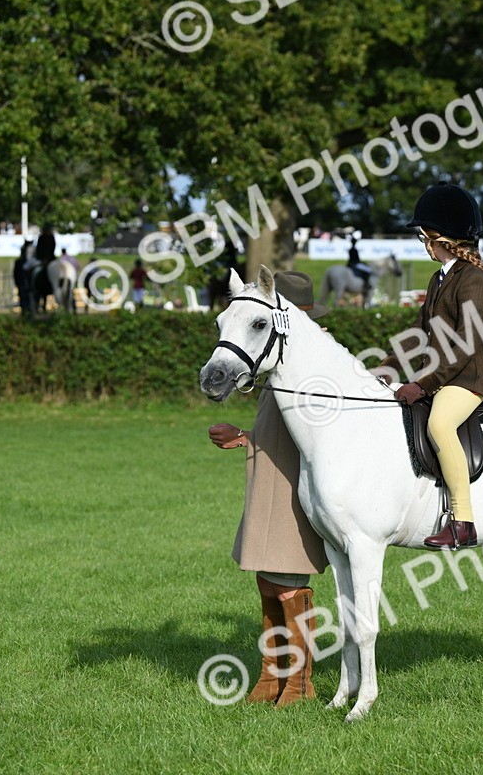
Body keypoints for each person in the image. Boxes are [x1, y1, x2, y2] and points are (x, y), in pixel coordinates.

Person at [207, 271, 331, 707]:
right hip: (266, 473)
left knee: (288, 581)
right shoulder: (278, 360)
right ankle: (270, 675)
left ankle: (299, 683)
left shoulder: (314, 360)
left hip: (293, 479)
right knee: (266, 579)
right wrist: (243, 435)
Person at [376, 182, 483, 550]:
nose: (423, 244)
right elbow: (420, 330)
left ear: (442, 239)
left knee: (440, 424)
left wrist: (423, 384)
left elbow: (465, 344)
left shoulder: (474, 280)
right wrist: (388, 366)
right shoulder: (440, 278)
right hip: (443, 375)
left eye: (424, 237)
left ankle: (463, 522)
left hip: (467, 379)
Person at [13, 242, 31, 314]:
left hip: (25, 283)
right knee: (23, 298)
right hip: (22, 283)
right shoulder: (20, 262)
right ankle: (25, 312)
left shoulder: (27, 262)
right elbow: (15, 273)